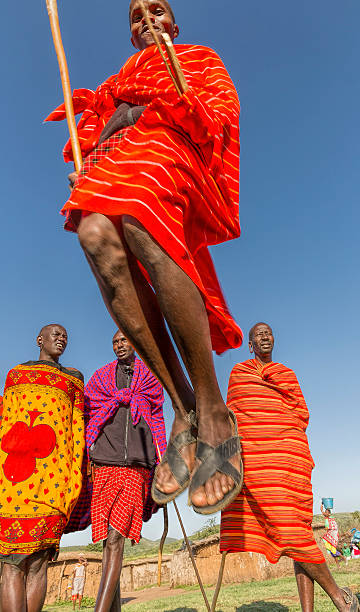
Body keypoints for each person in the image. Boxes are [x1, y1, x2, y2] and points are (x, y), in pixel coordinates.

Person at [46, 0, 243, 514]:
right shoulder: (118, 80)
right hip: (118, 162)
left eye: (155, 9)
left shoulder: (197, 57)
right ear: (132, 33)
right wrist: (90, 160)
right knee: (92, 233)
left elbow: (218, 113)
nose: (145, 17)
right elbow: (94, 135)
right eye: (135, 15)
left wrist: (145, 114)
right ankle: (183, 408)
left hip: (165, 149)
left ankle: (213, 410)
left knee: (137, 213)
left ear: (173, 24)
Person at [220, 323, 359, 611]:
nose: (264, 337)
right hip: (259, 465)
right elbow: (232, 418)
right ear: (250, 344)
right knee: (296, 534)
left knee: (300, 533)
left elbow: (299, 415)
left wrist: (284, 440)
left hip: (290, 462)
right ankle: (341, 599)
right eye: (258, 334)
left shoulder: (287, 374)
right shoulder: (240, 374)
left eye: (268, 333)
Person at [0, 324, 85, 612]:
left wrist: (76, 472)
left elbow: (76, 429)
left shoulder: (73, 380)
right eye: (55, 335)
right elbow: (6, 423)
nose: (61, 339)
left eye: (65, 336)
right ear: (39, 339)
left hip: (54, 479)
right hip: (15, 479)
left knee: (38, 563)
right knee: (13, 563)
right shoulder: (16, 375)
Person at [84, 330, 167, 611]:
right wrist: (91, 454)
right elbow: (88, 412)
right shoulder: (100, 378)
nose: (119, 345)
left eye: (124, 340)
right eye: (115, 341)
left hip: (136, 467)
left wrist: (162, 460)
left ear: (134, 341)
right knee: (108, 540)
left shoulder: (151, 378)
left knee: (117, 536)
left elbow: (158, 422)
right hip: (105, 463)